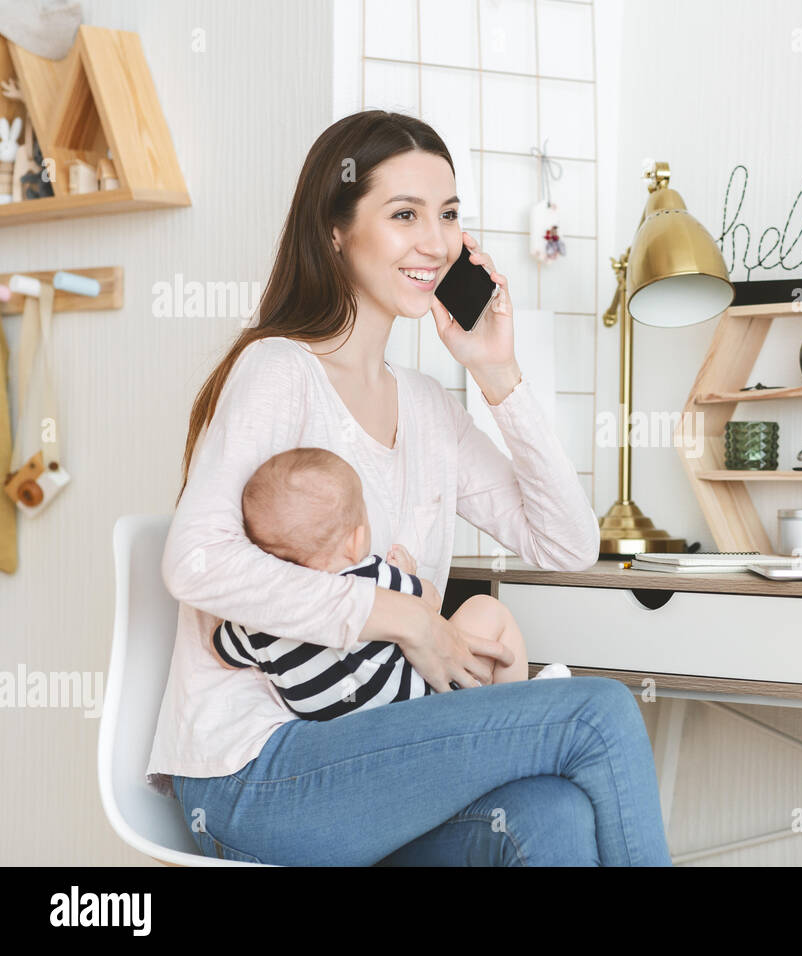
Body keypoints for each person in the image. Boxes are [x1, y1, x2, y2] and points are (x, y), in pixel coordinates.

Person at [145, 110, 673, 866]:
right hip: (258, 775)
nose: (436, 242)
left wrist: (496, 373)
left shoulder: (427, 404)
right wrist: (400, 616)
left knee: (550, 814)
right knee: (599, 713)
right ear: (335, 231)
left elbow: (567, 545)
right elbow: (194, 562)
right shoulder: (278, 371)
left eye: (449, 215)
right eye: (404, 215)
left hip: (370, 770)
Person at [210, 446, 568, 720]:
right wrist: (410, 578)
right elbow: (429, 606)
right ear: (355, 540)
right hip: (414, 706)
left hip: (340, 734)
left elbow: (223, 655)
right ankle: (521, 715)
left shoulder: (255, 618)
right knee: (486, 610)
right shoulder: (367, 577)